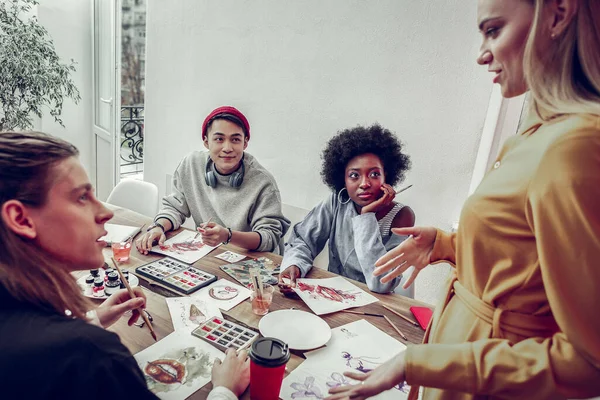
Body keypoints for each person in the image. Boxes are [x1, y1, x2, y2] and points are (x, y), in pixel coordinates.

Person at [327, 0, 600, 399]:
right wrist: (444, 244)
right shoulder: (535, 136)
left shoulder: (573, 147)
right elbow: (524, 262)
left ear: (557, 13)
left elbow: (589, 360)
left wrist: (416, 362)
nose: (481, 54)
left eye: (493, 30)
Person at [0, 131, 249, 399]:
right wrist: (225, 389)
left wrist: (93, 320)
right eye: (82, 197)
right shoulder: (94, 355)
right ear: (21, 219)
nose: (106, 211)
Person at [278, 124, 415, 294]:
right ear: (343, 179)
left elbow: (382, 283)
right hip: (331, 297)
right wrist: (295, 264)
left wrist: (366, 217)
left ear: (386, 175)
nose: (364, 183)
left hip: (378, 305)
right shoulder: (338, 201)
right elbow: (304, 240)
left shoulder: (401, 216)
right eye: (354, 175)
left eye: (374, 174)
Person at [136, 106, 290, 255]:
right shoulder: (191, 165)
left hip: (254, 261)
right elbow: (175, 208)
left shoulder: (263, 182)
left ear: (245, 142)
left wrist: (228, 236)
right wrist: (158, 227)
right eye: (219, 139)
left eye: (235, 139)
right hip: (210, 254)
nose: (227, 147)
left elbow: (269, 238)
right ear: (206, 141)